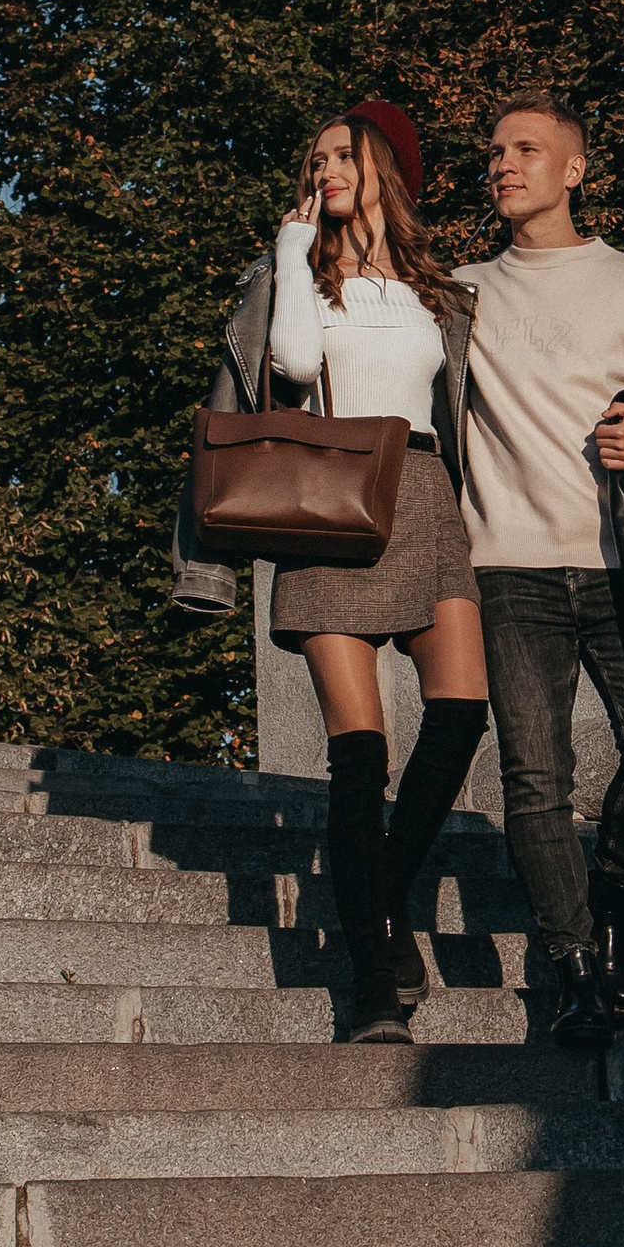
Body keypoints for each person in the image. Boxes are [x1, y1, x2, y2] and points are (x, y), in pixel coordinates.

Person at [173, 99, 487, 1043]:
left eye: (341, 155)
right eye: (314, 159)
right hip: (331, 503)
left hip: (427, 498)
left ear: (384, 165)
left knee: (463, 711)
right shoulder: (292, 277)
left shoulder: (443, 295)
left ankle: (382, 894)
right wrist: (291, 245)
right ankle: (374, 981)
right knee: (360, 757)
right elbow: (295, 364)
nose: (326, 169)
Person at [454, 91, 624, 1052]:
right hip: (508, 569)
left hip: (622, 566)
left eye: (527, 149)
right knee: (534, 779)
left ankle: (606, 901)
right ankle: (575, 964)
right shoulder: (460, 295)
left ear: (575, 171)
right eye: (496, 151)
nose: (504, 164)